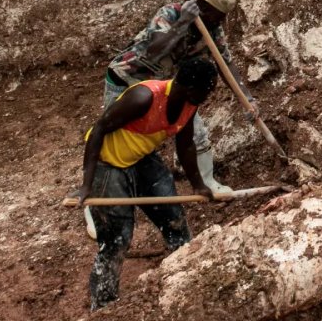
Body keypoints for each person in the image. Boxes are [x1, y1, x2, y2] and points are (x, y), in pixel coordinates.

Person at [71, 56, 219, 310]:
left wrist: (199, 185)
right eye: (206, 91)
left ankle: (186, 277)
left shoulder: (189, 103)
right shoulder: (144, 97)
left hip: (140, 157)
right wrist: (87, 184)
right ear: (189, 88)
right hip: (109, 163)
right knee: (117, 237)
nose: (208, 96)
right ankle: (104, 306)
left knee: (173, 217)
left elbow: (185, 145)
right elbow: (98, 130)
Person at [105, 0, 247, 200]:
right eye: (214, 14)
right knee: (114, 132)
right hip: (128, 78)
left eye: (220, 17)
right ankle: (101, 190)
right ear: (202, 5)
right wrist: (183, 23)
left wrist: (246, 98)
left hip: (165, 86)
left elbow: (225, 63)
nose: (219, 21)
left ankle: (206, 182)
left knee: (195, 131)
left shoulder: (213, 29)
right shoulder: (171, 13)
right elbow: (154, 51)